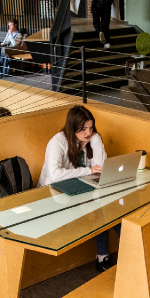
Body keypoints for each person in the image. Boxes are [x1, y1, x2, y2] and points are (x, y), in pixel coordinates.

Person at [38, 106, 118, 271]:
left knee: (109, 206)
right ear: (72, 127)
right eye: (83, 129)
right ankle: (106, 257)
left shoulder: (90, 140)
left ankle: (111, 256)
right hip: (54, 193)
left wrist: (96, 140)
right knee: (100, 206)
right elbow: (55, 175)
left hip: (79, 189)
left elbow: (101, 167)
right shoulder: (58, 142)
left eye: (90, 128)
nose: (88, 132)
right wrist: (88, 170)